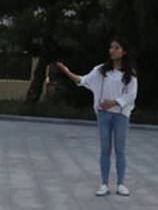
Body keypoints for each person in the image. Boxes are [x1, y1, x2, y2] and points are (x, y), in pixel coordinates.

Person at [56, 38, 138, 197]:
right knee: (105, 149)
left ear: (124, 52)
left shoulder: (130, 74)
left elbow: (131, 95)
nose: (112, 50)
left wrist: (114, 102)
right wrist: (67, 72)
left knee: (120, 149)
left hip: (121, 115)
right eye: (111, 47)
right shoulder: (101, 70)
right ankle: (104, 184)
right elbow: (83, 80)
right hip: (103, 114)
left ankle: (121, 184)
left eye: (116, 48)